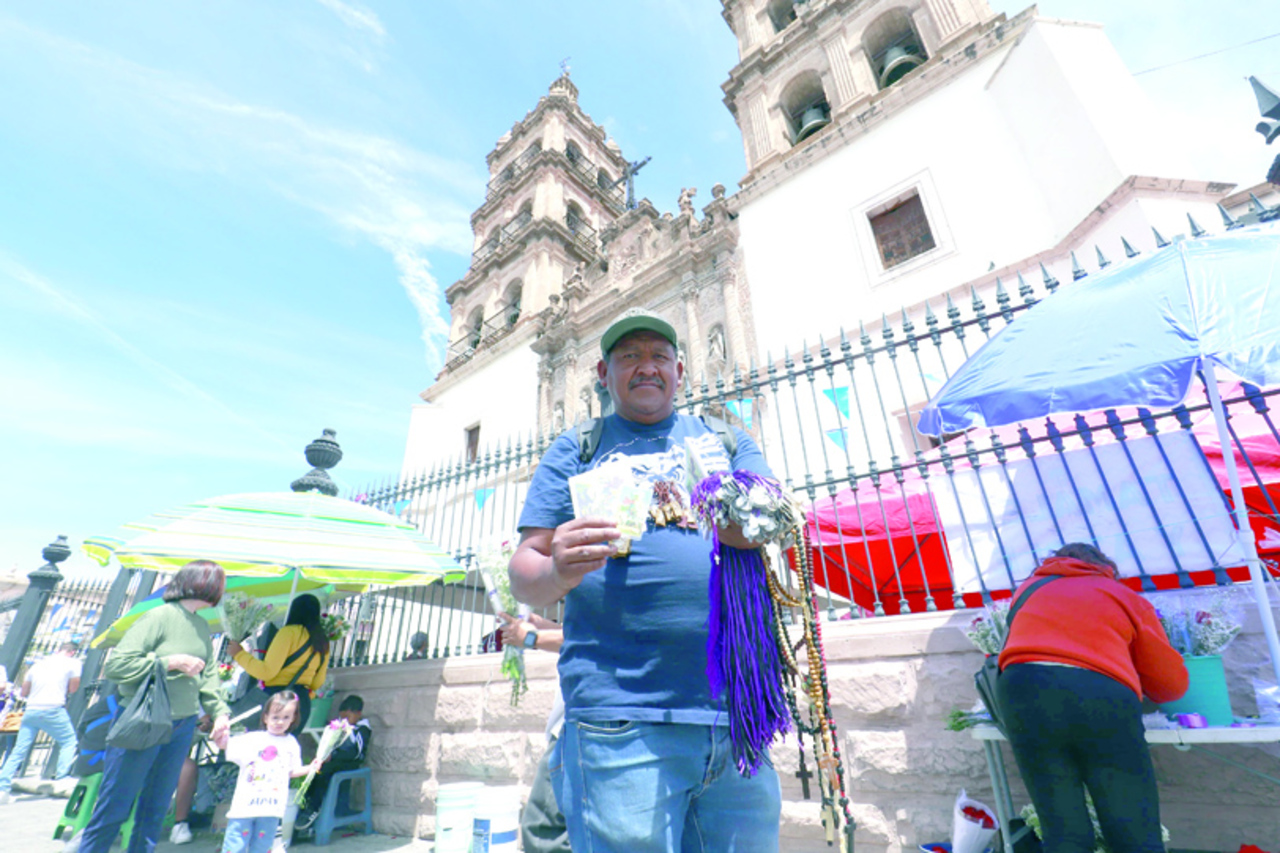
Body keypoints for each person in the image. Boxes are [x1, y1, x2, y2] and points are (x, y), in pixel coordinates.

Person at [508, 307, 782, 853]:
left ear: (681, 371)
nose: (646, 367)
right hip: (619, 718)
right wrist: (558, 567)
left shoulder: (728, 441)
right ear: (604, 377)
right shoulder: (577, 447)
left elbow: (773, 521)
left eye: (658, 356)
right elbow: (525, 572)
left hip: (735, 716)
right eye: (629, 356)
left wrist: (738, 521)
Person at [996, 543, 1189, 853]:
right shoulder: (1121, 595)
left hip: (1022, 691)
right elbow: (1170, 686)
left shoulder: (1028, 591)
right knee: (1133, 830)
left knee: (1063, 832)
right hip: (1097, 695)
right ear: (1105, 567)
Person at [78, 560, 231, 853]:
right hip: (144, 719)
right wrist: (170, 662)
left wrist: (220, 712)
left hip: (182, 724)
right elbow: (117, 665)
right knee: (116, 802)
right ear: (205, 583)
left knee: (156, 806)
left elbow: (209, 675)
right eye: (220, 581)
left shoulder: (201, 625)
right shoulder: (158, 617)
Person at [499, 613, 569, 853]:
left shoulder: (600, 578)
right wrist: (545, 627)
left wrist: (531, 637)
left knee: (543, 833)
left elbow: (594, 636)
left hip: (582, 722)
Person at [220, 691, 319, 853]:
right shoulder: (252, 739)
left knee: (263, 847)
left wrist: (311, 768)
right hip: (244, 807)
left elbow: (292, 771)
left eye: (286, 717)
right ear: (265, 717)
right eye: (275, 717)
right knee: (234, 846)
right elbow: (227, 745)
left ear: (293, 718)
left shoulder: (291, 743)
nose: (280, 722)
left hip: (271, 809)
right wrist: (222, 737)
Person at [228, 593, 330, 734]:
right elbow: (316, 683)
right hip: (301, 705)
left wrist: (239, 654)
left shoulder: (288, 633)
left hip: (277, 701)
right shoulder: (322, 641)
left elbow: (267, 672)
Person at [0, 639, 83, 803]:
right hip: (53, 708)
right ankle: (62, 778)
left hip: (31, 709)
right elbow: (73, 688)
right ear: (72, 652)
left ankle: (3, 787)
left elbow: (24, 691)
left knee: (19, 749)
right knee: (69, 741)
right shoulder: (74, 663)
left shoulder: (37, 664)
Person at [295, 694, 372, 833]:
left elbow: (357, 753)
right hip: (335, 762)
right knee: (315, 770)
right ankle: (305, 806)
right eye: (342, 718)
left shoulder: (362, 729)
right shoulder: (340, 727)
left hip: (350, 764)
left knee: (324, 770)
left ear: (358, 714)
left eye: (347, 717)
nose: (344, 721)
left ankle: (314, 807)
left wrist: (335, 755)